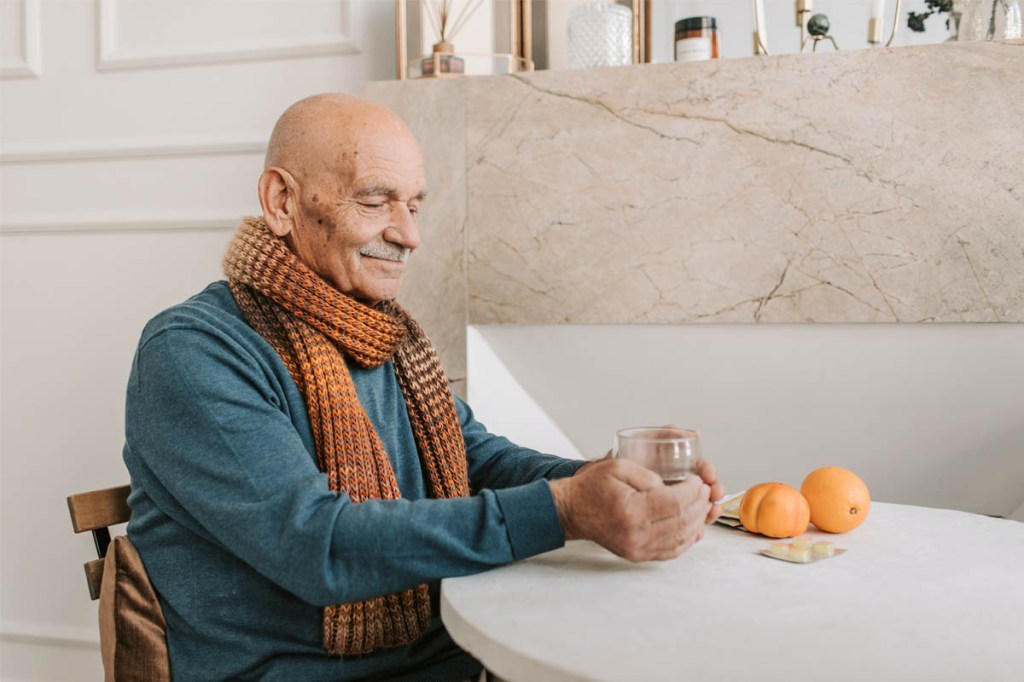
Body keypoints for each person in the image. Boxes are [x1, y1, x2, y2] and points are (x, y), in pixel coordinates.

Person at [122, 93, 725, 681]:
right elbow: (318, 544)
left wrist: (604, 478)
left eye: (414, 204)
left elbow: (479, 459)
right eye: (376, 200)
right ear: (283, 201)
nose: (409, 235)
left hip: (456, 658)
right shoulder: (192, 350)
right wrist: (567, 509)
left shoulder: (382, 334)